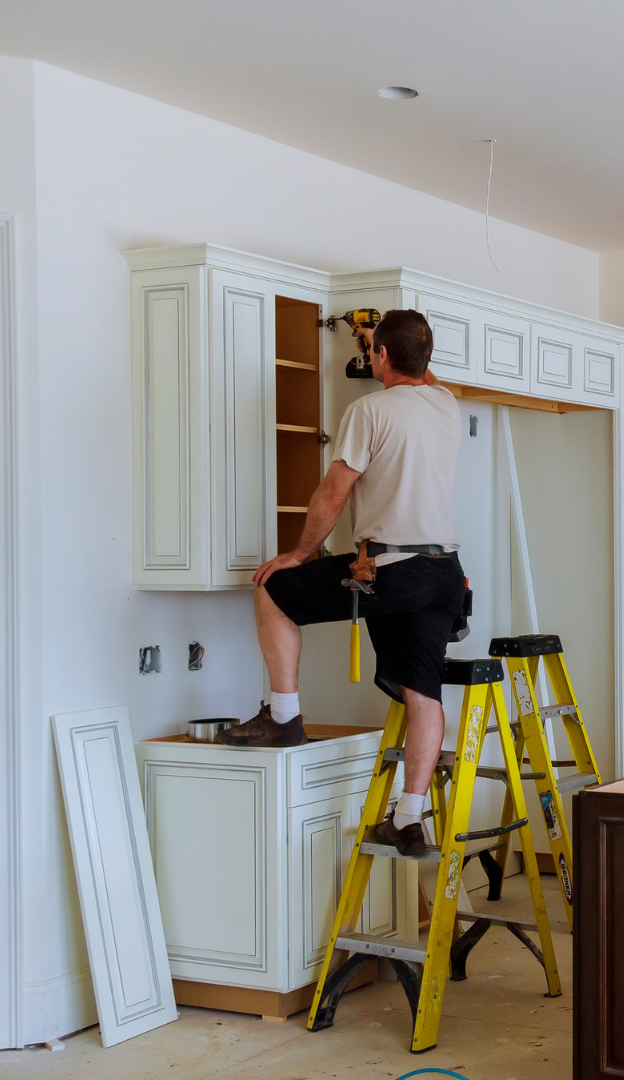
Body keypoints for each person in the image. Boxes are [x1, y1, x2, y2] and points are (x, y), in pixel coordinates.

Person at [219, 309, 464, 858]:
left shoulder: (367, 410)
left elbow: (333, 493)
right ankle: (408, 819)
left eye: (374, 349)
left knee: (272, 590)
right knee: (424, 692)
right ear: (427, 358)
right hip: (443, 572)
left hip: (391, 569)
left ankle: (283, 718)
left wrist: (300, 555)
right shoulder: (446, 404)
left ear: (379, 356)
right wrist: (383, 341)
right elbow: (416, 372)